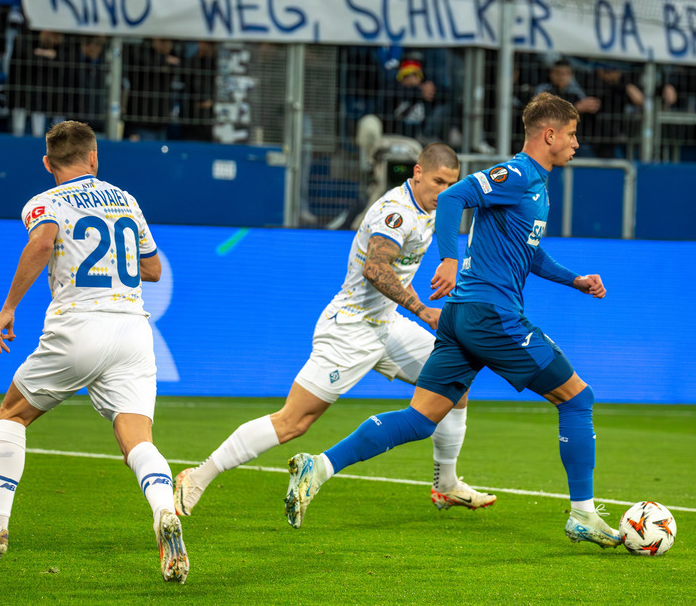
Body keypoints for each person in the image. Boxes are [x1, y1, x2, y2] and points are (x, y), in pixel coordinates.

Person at [284, 92, 622, 550]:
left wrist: (573, 279)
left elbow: (530, 251)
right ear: (550, 134)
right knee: (578, 399)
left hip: (464, 315)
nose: (576, 144)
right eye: (572, 134)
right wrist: (448, 257)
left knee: (422, 418)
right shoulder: (517, 173)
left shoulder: (536, 185)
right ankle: (582, 514)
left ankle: (318, 467)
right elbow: (454, 199)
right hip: (492, 315)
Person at [173, 144, 496, 518]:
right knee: (294, 421)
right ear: (418, 172)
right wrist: (423, 310)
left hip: (387, 325)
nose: (445, 191)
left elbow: (395, 271)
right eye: (439, 181)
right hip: (351, 327)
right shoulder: (397, 213)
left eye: (452, 184)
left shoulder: (433, 210)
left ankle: (446, 485)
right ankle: (197, 477)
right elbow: (375, 268)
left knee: (455, 381)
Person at [0, 121, 188, 583]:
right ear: (94, 156)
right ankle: (165, 511)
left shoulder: (44, 203)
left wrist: (8, 308)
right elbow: (154, 269)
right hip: (133, 332)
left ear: (48, 163)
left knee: (12, 415)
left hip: (78, 325)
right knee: (137, 440)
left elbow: (42, 243)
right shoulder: (126, 199)